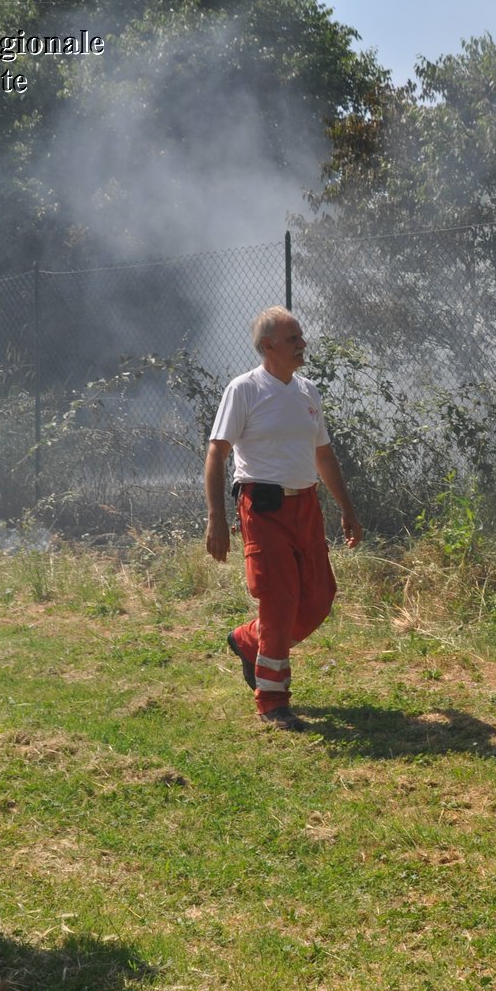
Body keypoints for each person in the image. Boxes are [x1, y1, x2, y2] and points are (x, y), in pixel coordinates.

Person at [204, 306, 362, 731]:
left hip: (306, 506)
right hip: (263, 507)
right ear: (268, 346)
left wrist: (346, 509)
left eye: (301, 337)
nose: (303, 344)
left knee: (318, 597)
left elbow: (323, 455)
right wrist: (217, 518)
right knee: (278, 601)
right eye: (293, 339)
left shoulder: (307, 391)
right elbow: (216, 453)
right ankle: (273, 701)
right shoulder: (244, 389)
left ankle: (248, 640)